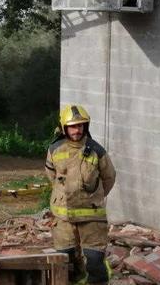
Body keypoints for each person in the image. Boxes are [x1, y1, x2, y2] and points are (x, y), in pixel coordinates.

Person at [45, 104, 117, 285]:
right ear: (64, 127)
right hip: (63, 217)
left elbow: (109, 177)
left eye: (80, 125)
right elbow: (51, 175)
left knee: (94, 260)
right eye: (72, 126)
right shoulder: (55, 149)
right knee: (65, 260)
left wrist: (94, 197)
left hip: (91, 216)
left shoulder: (97, 151)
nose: (77, 130)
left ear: (86, 126)